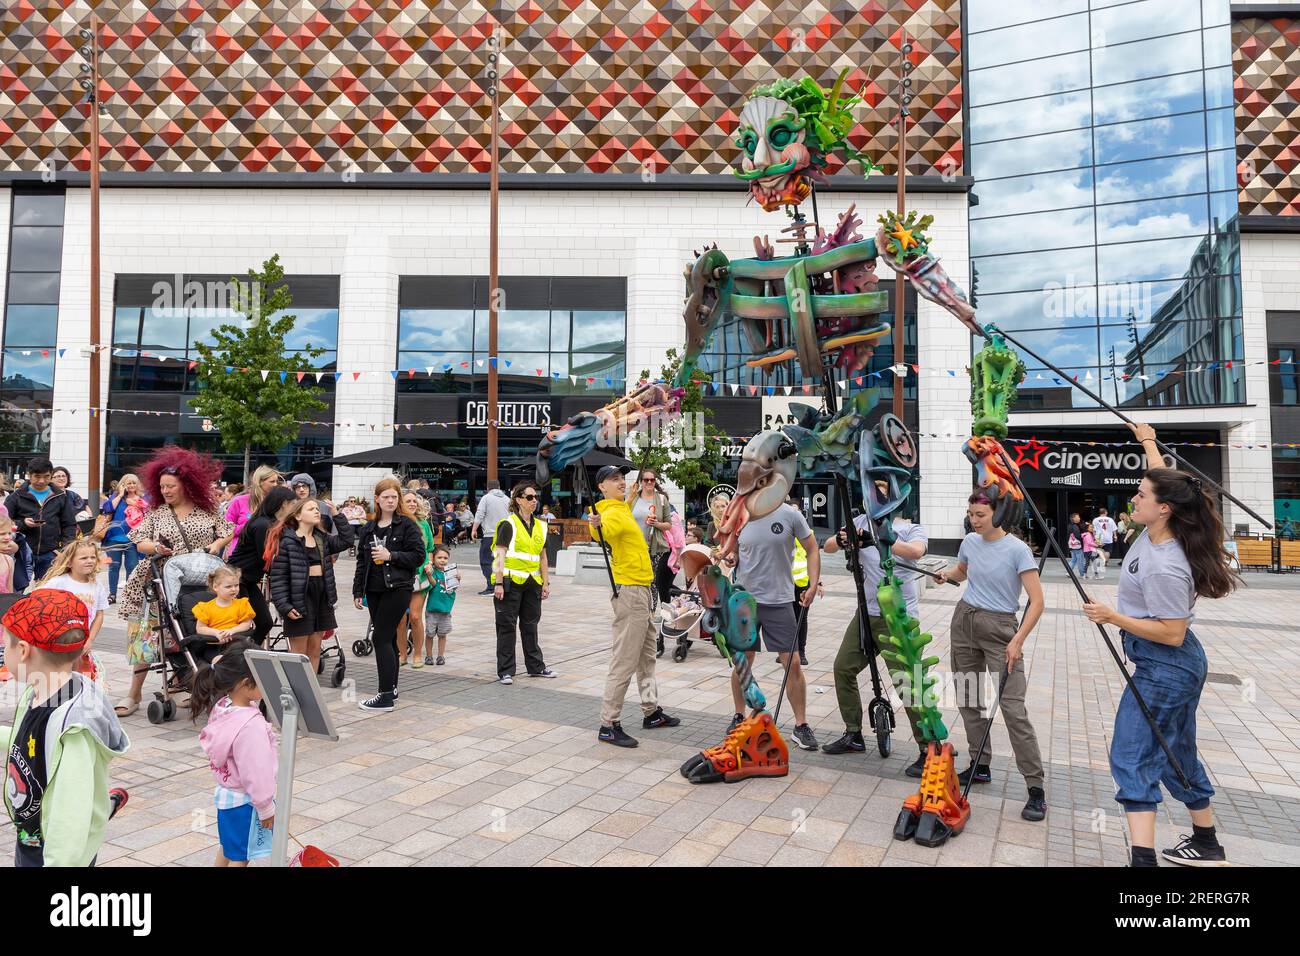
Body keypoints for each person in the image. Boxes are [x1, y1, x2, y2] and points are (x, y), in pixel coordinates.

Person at [1083, 421, 1239, 868]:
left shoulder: (1165, 566)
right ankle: (1207, 842)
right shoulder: (1156, 530)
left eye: (1140, 496)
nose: (1133, 498)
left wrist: (1113, 617)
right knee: (1175, 752)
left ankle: (1143, 861)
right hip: (1170, 664)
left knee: (1132, 754)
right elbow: (1161, 477)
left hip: (1166, 665)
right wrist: (1147, 441)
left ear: (1164, 509)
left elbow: (1171, 632)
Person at [936, 491, 1048, 822]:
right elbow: (962, 571)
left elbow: (1037, 601)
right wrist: (947, 575)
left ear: (998, 514)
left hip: (1002, 630)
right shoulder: (970, 542)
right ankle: (980, 764)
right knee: (969, 701)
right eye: (971, 513)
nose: (975, 519)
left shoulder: (1017, 550)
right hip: (965, 622)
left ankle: (1035, 788)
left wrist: (1017, 640)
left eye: (981, 514)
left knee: (1013, 709)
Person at [1, 590, 129, 866]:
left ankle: (101, 806)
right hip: (33, 832)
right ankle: (104, 804)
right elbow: (22, 738)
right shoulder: (40, 690)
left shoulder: (74, 726)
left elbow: (70, 813)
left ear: (22, 651)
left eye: (5, 644)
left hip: (54, 850)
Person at [115, 446, 234, 718]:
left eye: (171, 486)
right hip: (158, 580)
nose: (166, 491)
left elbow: (226, 532)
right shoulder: (157, 512)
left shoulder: (208, 510)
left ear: (187, 484)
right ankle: (134, 693)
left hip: (199, 582)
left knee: (189, 632)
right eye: (162, 486)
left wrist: (216, 545)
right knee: (148, 636)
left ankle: (184, 683)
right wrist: (155, 546)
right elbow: (138, 539)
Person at [821, 491, 932, 775]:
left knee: (907, 682)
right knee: (842, 668)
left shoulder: (909, 528)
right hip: (866, 613)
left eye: (884, 490)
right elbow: (830, 546)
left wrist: (886, 538)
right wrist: (845, 539)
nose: (877, 496)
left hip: (898, 617)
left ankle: (928, 747)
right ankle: (853, 733)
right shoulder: (859, 519)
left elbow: (917, 551)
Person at [588, 465, 680, 747]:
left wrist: (630, 496)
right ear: (601, 486)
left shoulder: (622, 507)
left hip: (643, 589)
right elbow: (604, 530)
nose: (620, 482)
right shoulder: (610, 512)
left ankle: (651, 711)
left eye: (621, 477)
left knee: (647, 656)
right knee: (625, 659)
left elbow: (624, 508)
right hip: (629, 591)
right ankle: (609, 722)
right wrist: (596, 525)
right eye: (613, 479)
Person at [190, 640, 276, 867]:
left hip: (227, 798)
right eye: (263, 679)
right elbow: (255, 771)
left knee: (228, 846)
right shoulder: (250, 725)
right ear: (246, 683)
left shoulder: (224, 707)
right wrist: (266, 807)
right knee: (242, 855)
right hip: (246, 802)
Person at [352, 478, 425, 713]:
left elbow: (418, 556)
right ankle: (391, 688)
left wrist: (391, 555)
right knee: (390, 639)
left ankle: (384, 696)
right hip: (374, 589)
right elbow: (361, 562)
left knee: (380, 637)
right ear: (377, 499)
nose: (391, 501)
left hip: (398, 588)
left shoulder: (407, 525)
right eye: (386, 497)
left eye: (394, 497)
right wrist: (357, 591)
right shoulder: (368, 528)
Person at [268, 498, 349, 674]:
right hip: (299, 599)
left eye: (317, 509)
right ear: (298, 515)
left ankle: (310, 688)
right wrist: (284, 606)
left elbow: (347, 540)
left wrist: (337, 514)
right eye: (310, 508)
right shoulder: (288, 541)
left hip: (322, 595)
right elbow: (278, 577)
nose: (316, 511)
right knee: (298, 652)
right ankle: (296, 689)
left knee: (315, 649)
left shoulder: (322, 538)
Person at [492, 481, 556, 683]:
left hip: (532, 582)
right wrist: (499, 583)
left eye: (535, 497)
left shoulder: (541, 526)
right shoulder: (508, 524)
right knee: (507, 627)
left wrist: (545, 583)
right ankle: (506, 671)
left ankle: (536, 667)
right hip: (510, 582)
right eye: (529, 497)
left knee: (531, 626)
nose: (534, 501)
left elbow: (543, 557)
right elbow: (500, 554)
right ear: (518, 500)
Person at [34, 538, 110, 687]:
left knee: (79, 674)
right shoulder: (59, 582)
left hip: (82, 640)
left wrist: (91, 639)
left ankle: (76, 701)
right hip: (59, 640)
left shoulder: (96, 586)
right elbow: (37, 600)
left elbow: (99, 614)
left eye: (92, 557)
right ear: (69, 562)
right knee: (58, 674)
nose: (89, 561)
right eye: (83, 558)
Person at [226, 486, 296, 646]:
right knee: (242, 625)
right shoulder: (263, 525)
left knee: (265, 623)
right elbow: (266, 556)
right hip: (236, 580)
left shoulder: (271, 522)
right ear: (284, 504)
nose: (295, 508)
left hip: (247, 581)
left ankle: (248, 654)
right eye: (293, 504)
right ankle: (238, 657)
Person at [4, 456, 80, 581]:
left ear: (51, 475)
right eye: (37, 477)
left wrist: (64, 549)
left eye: (46, 476)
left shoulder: (60, 496)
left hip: (51, 553)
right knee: (17, 590)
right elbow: (4, 521)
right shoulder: (16, 496)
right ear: (29, 475)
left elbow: (69, 524)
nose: (42, 481)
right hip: (21, 551)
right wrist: (23, 523)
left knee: (47, 592)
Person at [627, 468, 676, 608]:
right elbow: (624, 516)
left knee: (653, 580)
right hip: (635, 546)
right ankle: (637, 606)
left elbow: (668, 525)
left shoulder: (661, 499)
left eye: (652, 480)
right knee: (635, 578)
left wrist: (657, 523)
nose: (649, 482)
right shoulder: (633, 498)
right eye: (646, 479)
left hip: (655, 546)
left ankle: (652, 609)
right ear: (641, 482)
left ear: (655, 481)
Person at [400, 490, 438, 669]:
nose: (413, 504)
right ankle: (401, 654)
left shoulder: (424, 524)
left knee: (415, 617)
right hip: (400, 576)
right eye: (408, 501)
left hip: (420, 576)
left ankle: (417, 654)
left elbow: (430, 548)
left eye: (415, 501)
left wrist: (429, 562)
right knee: (399, 619)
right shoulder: (397, 522)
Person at [100, 472, 145, 605]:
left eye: (133, 483)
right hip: (114, 537)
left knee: (132, 567)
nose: (131, 485)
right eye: (128, 483)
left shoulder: (142, 499)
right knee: (114, 566)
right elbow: (108, 508)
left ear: (137, 485)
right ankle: (112, 594)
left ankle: (129, 595)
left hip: (133, 539)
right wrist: (120, 495)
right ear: (123, 485)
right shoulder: (117, 496)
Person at [191, 565, 256, 651]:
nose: (233, 589)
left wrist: (232, 630)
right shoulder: (205, 608)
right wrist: (216, 633)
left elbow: (246, 624)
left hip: (236, 643)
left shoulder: (242, 604)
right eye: (228, 587)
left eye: (236, 585)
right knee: (218, 659)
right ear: (215, 587)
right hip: (213, 645)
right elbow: (200, 628)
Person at [224, 465, 280, 556]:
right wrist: (250, 526)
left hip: (267, 555)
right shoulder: (239, 501)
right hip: (241, 555)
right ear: (259, 482)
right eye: (272, 481)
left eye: (277, 481)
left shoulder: (277, 503)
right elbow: (225, 529)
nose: (275, 485)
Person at [471, 480, 511, 594]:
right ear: (499, 487)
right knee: (501, 560)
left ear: (488, 488)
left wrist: (474, 529)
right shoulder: (507, 499)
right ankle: (501, 584)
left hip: (490, 535)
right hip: (505, 536)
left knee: (486, 561)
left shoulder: (486, 498)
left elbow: (480, 514)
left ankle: (491, 586)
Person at [790, 535, 823, 666]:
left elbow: (815, 558)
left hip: (803, 583)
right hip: (785, 582)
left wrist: (818, 582)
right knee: (787, 618)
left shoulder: (806, 533)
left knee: (801, 618)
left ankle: (801, 652)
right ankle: (788, 650)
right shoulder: (781, 531)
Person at [424, 544, 459, 666]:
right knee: (429, 634)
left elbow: (453, 589)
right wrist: (429, 575)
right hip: (432, 610)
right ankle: (428, 656)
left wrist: (457, 579)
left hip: (445, 611)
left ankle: (440, 656)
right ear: (433, 559)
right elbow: (433, 584)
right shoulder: (433, 571)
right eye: (439, 557)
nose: (442, 560)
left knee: (442, 635)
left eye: (445, 558)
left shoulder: (450, 573)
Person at [1092, 507, 1117, 577]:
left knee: (1099, 550)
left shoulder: (1095, 520)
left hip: (1099, 537)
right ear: (1105, 512)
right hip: (1108, 537)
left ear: (1100, 512)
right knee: (1107, 550)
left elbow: (1094, 530)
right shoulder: (1110, 519)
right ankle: (1105, 562)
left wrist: (1094, 537)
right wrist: (1115, 536)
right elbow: (1114, 529)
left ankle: (1101, 561)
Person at [1066, 512, 1086, 576]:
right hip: (1077, 546)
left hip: (1072, 545)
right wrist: (1083, 539)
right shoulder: (1075, 526)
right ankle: (1082, 574)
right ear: (1073, 518)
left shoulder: (1069, 525)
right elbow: (1078, 536)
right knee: (1080, 561)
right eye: (1078, 517)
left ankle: (1068, 572)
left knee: (1073, 560)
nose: (1079, 518)